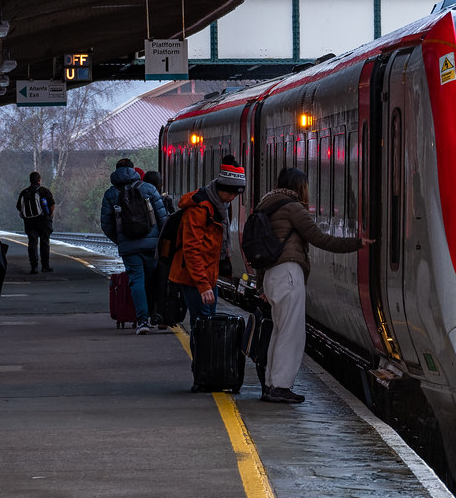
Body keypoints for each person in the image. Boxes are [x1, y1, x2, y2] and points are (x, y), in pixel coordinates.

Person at [253, 167, 373, 404]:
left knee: (279, 331)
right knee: (291, 334)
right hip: (288, 273)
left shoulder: (265, 204)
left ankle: (270, 384)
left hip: (271, 276)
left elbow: (258, 251)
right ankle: (281, 386)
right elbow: (320, 238)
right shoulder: (293, 208)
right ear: (299, 186)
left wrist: (260, 286)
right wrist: (357, 243)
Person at [168, 159, 246, 337]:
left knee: (207, 322)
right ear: (223, 188)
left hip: (208, 275)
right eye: (233, 193)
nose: (234, 198)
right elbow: (192, 249)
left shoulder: (221, 206)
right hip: (193, 277)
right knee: (203, 325)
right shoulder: (199, 209)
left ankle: (207, 363)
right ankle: (201, 364)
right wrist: (203, 285)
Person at [100, 158, 168, 334]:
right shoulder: (148, 189)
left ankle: (142, 321)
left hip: (129, 246)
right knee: (152, 279)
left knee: (136, 280)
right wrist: (160, 240)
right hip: (151, 244)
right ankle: (155, 315)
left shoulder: (110, 194)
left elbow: (106, 224)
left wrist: (121, 240)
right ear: (133, 171)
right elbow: (163, 218)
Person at [16, 171, 55, 274]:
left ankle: (34, 267)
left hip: (30, 223)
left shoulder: (24, 192)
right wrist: (50, 217)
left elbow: (19, 207)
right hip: (44, 222)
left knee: (32, 243)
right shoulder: (44, 191)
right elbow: (52, 205)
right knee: (44, 243)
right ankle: (45, 266)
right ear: (39, 180)